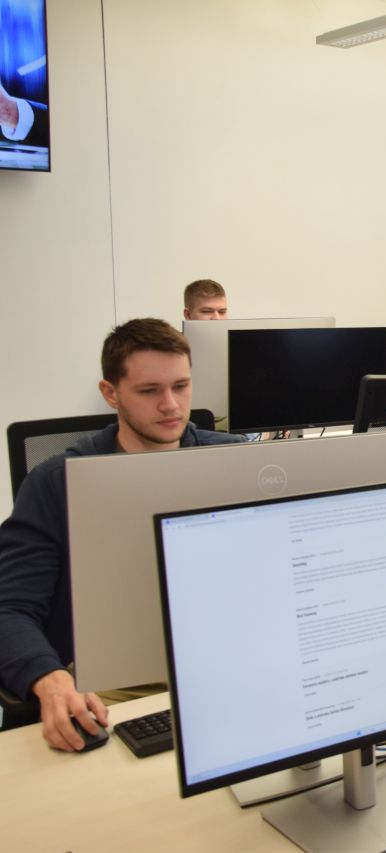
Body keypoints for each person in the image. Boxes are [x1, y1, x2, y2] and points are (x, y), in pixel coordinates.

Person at [0, 319, 244, 752]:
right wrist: (48, 678)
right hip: (117, 689)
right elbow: (10, 607)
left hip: (224, 666)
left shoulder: (236, 461)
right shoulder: (59, 482)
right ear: (110, 393)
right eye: (149, 391)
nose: (171, 405)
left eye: (181, 386)